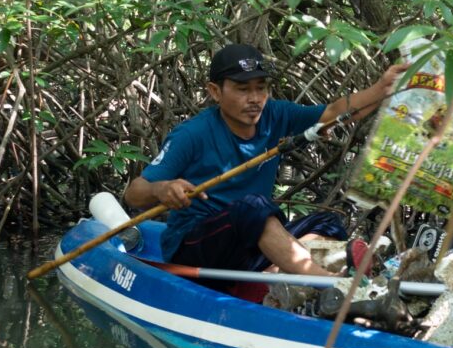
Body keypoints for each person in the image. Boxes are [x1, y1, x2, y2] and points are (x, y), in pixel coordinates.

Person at [124, 43, 409, 290]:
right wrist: (162, 189)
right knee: (251, 208)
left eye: (261, 88)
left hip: (249, 246)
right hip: (195, 250)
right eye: (242, 89)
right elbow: (134, 194)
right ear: (215, 91)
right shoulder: (192, 135)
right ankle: (328, 283)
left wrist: (383, 88)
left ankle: (274, 275)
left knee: (327, 222)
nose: (255, 99)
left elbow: (334, 114)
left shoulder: (275, 115)